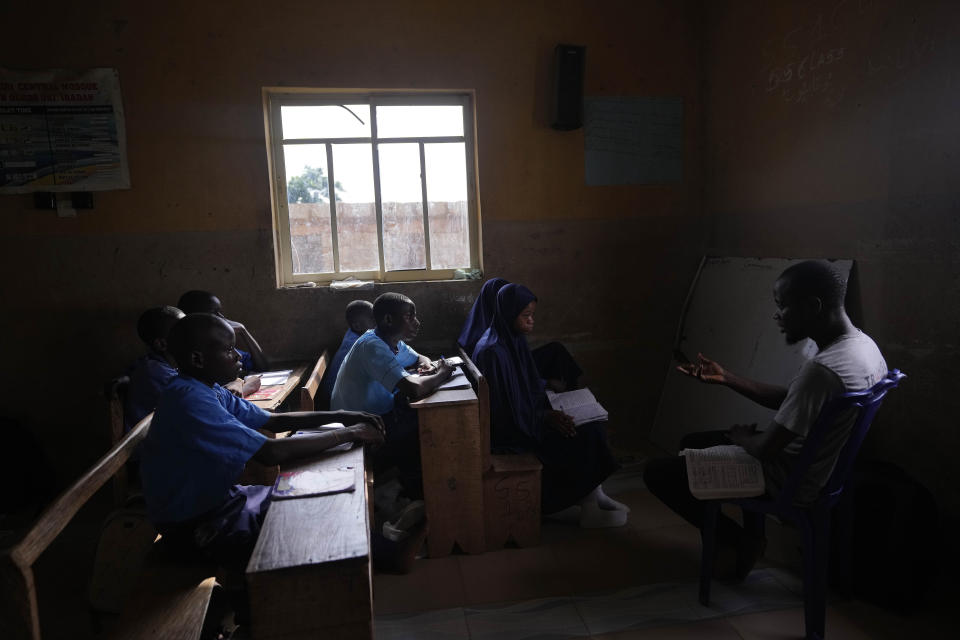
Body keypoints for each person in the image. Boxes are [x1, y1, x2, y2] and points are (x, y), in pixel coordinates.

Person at [643, 260, 887, 578]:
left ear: (812, 306)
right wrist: (727, 377)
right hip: (819, 468)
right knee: (693, 443)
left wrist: (742, 439)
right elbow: (797, 400)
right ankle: (748, 538)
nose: (777, 316)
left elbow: (767, 449)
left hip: (788, 479)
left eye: (782, 306)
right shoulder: (862, 347)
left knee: (657, 474)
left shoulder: (822, 371)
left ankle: (740, 540)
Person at [139, 313, 384, 571]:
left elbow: (272, 421)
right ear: (198, 359)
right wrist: (349, 433)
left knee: (313, 502)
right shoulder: (189, 400)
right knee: (305, 529)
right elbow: (271, 452)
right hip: (195, 525)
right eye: (229, 349)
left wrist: (343, 416)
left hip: (224, 500)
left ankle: (380, 550)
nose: (237, 356)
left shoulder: (207, 387)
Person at [472, 283, 626, 528]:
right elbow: (504, 413)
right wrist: (544, 416)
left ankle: (593, 494)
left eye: (532, 315)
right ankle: (576, 503)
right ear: (508, 313)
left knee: (590, 420)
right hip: (512, 433)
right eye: (525, 316)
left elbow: (526, 383)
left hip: (527, 415)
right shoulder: (493, 352)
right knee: (586, 432)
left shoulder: (511, 339)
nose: (531, 321)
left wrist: (551, 403)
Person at [331, 292, 454, 494]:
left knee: (424, 423)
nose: (417, 323)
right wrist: (441, 372)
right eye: (409, 317)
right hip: (357, 427)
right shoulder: (372, 345)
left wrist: (428, 368)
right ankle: (416, 494)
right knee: (428, 430)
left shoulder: (391, 341)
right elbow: (413, 389)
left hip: (376, 417)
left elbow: (419, 359)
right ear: (388, 320)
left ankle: (415, 489)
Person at [459, 277, 582, 392]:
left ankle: (574, 396)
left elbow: (521, 354)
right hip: (506, 372)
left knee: (556, 350)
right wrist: (544, 383)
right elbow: (504, 373)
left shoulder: (508, 320)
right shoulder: (486, 342)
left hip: (514, 364)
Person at [123, 306, 185, 433]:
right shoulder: (156, 373)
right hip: (153, 446)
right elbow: (200, 400)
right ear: (162, 344)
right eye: (184, 332)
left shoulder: (156, 365)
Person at [177, 289, 270, 373]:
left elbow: (263, 367)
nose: (222, 317)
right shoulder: (191, 353)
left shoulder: (222, 346)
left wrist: (243, 330)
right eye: (214, 313)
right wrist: (242, 377)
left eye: (219, 312)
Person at [319, 300, 376, 408]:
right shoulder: (359, 345)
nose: (377, 322)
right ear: (357, 326)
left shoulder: (353, 333)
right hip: (338, 404)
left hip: (338, 396)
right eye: (373, 319)